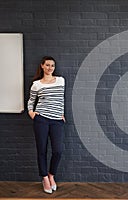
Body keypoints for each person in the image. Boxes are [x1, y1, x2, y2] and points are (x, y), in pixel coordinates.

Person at [27, 56, 65, 194]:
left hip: (57, 121)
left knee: (58, 151)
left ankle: (51, 175)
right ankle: (44, 178)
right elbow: (31, 101)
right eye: (47, 65)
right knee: (42, 150)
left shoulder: (61, 80)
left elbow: (61, 99)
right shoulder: (37, 84)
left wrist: (61, 113)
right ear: (42, 66)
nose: (50, 68)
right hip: (41, 119)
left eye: (52, 65)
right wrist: (31, 113)